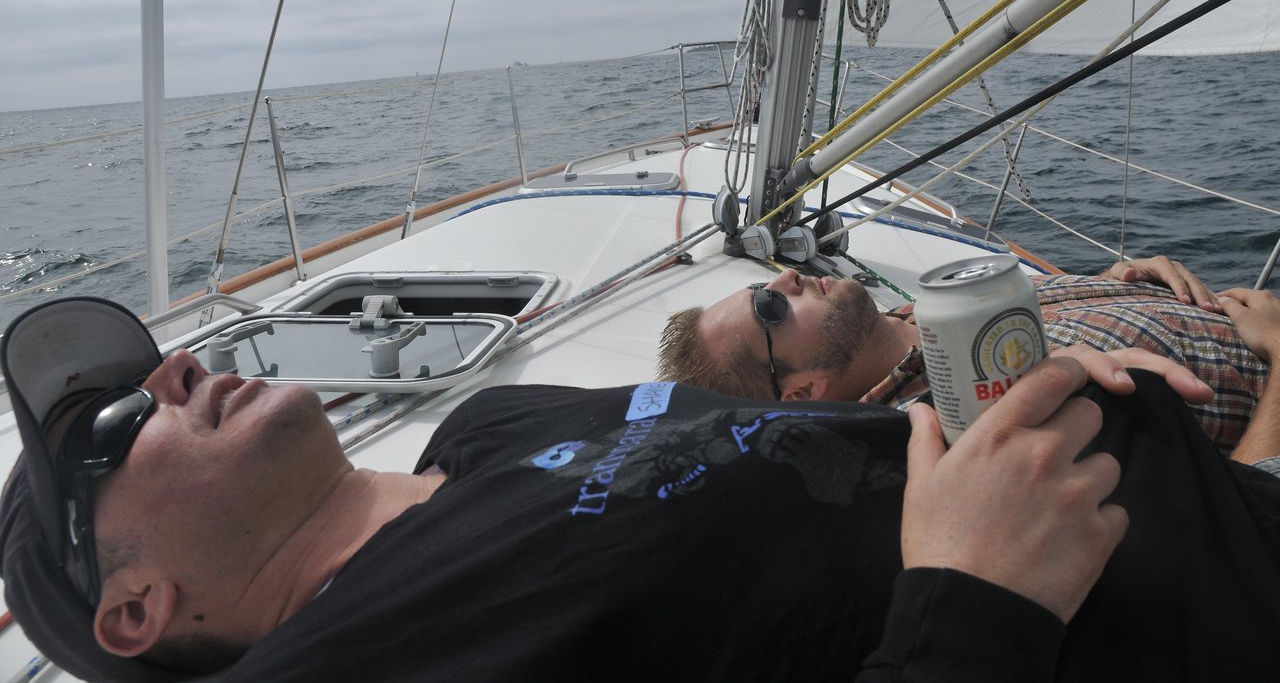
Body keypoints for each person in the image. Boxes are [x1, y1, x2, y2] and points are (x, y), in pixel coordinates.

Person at [3, 294, 1280, 682]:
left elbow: (799, 465)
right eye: (119, 421)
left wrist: (993, 395)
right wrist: (973, 595)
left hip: (1211, 503)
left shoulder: (491, 421)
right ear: (135, 609)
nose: (177, 366)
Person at [657, 255, 1269, 453]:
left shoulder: (914, 318)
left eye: (764, 284)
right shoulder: (972, 432)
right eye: (770, 310)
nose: (786, 277)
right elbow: (1241, 517)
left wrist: (1115, 281)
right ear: (802, 392)